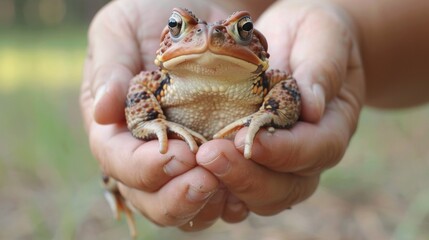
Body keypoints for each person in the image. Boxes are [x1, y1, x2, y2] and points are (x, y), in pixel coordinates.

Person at [80, 0, 429, 231]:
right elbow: (137, 86)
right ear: (165, 40)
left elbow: (289, 89)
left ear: (258, 46)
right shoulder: (155, 80)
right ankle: (111, 182)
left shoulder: (269, 79)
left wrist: (269, 116)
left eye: (243, 30)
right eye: (177, 26)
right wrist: (149, 123)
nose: (208, 39)